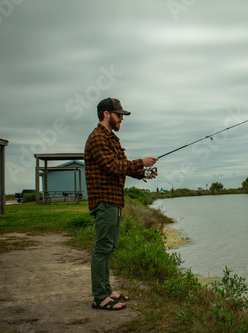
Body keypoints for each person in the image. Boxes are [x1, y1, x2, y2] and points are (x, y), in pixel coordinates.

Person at [84, 97, 158, 310]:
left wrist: (143, 172)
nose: (122, 119)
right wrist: (140, 162)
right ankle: (100, 297)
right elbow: (112, 166)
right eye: (119, 115)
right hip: (104, 200)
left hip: (115, 200)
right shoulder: (97, 138)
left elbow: (124, 166)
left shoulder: (112, 139)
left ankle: (106, 290)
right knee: (102, 247)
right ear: (106, 114)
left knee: (110, 246)